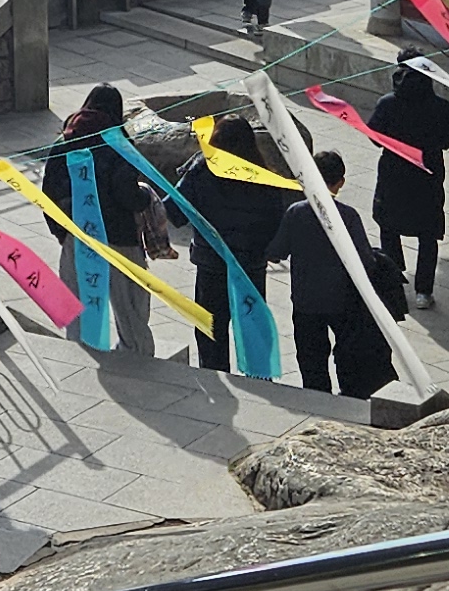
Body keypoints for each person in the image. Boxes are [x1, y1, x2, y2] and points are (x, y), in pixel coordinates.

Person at [44, 85, 178, 356]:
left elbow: (49, 193)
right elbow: (125, 192)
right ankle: (136, 354)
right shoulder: (118, 143)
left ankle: (80, 352)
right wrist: (144, 199)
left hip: (77, 234)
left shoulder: (64, 141)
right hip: (118, 236)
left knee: (79, 301)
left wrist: (61, 232)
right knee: (130, 304)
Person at [179, 109, 294, 372]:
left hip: (211, 264)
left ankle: (214, 374)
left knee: (211, 328)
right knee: (252, 326)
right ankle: (259, 377)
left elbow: (174, 211)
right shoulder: (264, 178)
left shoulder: (200, 172)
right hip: (250, 265)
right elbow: (277, 221)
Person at [285, 147, 400, 398]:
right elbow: (365, 261)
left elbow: (278, 250)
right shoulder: (348, 216)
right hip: (342, 300)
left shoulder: (296, 212)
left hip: (306, 300)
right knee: (347, 351)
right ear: (341, 182)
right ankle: (347, 396)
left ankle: (317, 398)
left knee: (311, 356)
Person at [364, 53, 449, 300]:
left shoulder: (387, 104)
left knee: (389, 226)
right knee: (428, 233)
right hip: (428, 173)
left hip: (393, 172)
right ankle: (423, 291)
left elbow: (374, 136)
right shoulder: (440, 106)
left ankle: (394, 280)